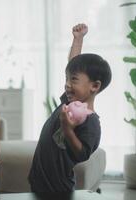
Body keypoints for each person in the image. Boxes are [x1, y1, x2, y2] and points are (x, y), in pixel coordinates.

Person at [28, 23, 112, 193]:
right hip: (39, 177)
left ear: (94, 86)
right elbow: (73, 63)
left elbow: (82, 154)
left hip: (58, 186)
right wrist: (78, 39)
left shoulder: (91, 121)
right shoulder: (70, 101)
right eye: (66, 78)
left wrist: (68, 130)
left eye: (73, 80)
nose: (67, 84)